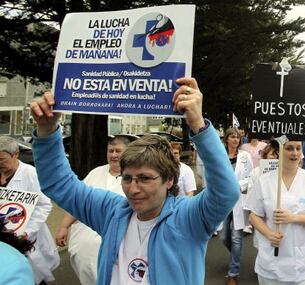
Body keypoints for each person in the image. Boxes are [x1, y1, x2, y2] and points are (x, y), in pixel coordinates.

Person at [30, 77, 240, 285]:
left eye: (145, 179)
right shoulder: (111, 212)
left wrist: (198, 125)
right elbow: (60, 185)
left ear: (169, 180)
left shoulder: (189, 217)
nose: (132, 189)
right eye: (127, 178)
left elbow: (226, 192)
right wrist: (47, 131)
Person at [55, 135, 133, 285]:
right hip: (85, 246)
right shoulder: (95, 173)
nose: (114, 155)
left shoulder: (135, 176)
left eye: (118, 151)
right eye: (110, 151)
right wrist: (64, 226)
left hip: (120, 245)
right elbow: (78, 201)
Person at [246, 140, 305, 285]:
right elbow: (254, 215)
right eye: (289, 148)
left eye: (298, 148)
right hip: (271, 261)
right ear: (278, 152)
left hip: (302, 265)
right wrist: (269, 234)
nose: (295, 153)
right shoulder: (264, 181)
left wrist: (292, 217)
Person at [0, 136, 60, 285]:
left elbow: (44, 205)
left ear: (16, 154)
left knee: (34, 275)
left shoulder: (31, 174)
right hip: (3, 237)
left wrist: (28, 231)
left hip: (27, 236)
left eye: (2, 160)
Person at [220, 128, 253, 285]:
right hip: (223, 201)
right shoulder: (220, 156)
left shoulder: (245, 157)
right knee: (224, 236)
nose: (235, 140)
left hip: (238, 199)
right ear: (226, 139)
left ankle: (233, 272)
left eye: (237, 137)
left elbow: (250, 177)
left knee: (236, 237)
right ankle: (236, 255)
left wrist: (238, 185)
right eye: (232, 137)